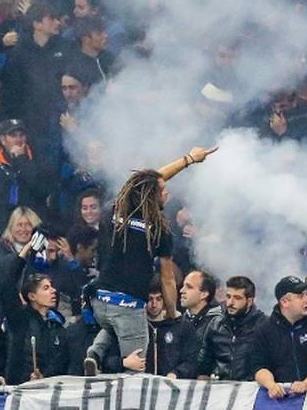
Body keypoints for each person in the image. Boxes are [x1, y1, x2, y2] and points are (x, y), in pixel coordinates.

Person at [88, 146, 215, 372]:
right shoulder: (159, 230)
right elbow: (167, 279)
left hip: (99, 301)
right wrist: (172, 313)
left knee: (111, 327)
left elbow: (146, 180)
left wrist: (188, 160)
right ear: (151, 196)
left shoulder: (115, 210)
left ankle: (95, 354)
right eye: (162, 190)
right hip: (127, 304)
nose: (166, 193)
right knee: (135, 369)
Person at [247, 275, 307, 399]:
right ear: (284, 302)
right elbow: (259, 366)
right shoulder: (264, 329)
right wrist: (271, 385)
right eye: (301, 296)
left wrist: (306, 383)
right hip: (282, 400)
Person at [197, 275, 265, 381]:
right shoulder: (215, 324)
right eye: (228, 296)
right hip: (220, 390)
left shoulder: (262, 325)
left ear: (249, 301)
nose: (230, 303)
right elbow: (204, 364)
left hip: (250, 391)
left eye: (237, 298)